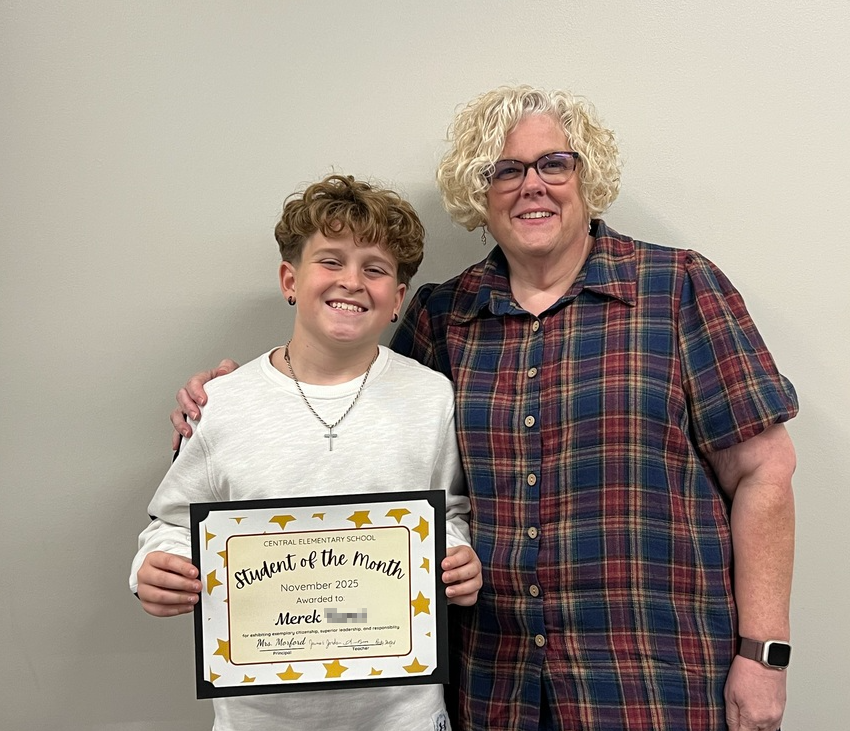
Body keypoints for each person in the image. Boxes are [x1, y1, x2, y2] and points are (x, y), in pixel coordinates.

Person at [171, 87, 798, 731]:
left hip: (654, 680)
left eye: (554, 163)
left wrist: (764, 656)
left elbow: (764, 473)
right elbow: (358, 431)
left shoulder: (679, 288)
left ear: (588, 177)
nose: (532, 186)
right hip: (494, 688)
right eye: (505, 171)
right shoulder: (443, 316)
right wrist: (232, 398)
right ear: (481, 195)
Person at [132, 174, 482, 731]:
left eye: (375, 268)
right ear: (290, 279)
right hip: (260, 716)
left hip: (400, 714)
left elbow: (450, 512)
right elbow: (173, 523)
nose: (352, 281)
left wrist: (457, 554)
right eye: (331, 261)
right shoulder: (221, 403)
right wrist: (153, 567)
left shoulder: (431, 397)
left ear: (397, 298)